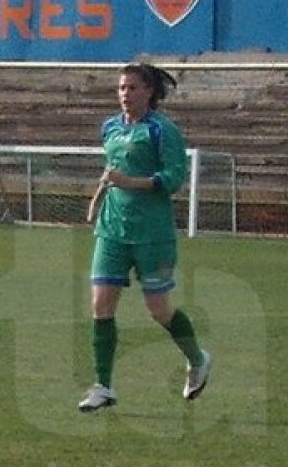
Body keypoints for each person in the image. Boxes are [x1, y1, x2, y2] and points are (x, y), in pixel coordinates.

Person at [78, 62, 212, 412]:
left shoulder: (162, 130)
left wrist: (131, 183)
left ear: (149, 91)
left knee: (158, 309)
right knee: (100, 305)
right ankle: (103, 386)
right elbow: (112, 171)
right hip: (112, 230)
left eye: (133, 88)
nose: (125, 94)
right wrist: (98, 198)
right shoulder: (110, 128)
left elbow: (173, 178)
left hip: (152, 234)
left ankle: (197, 360)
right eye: (121, 88)